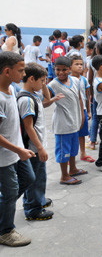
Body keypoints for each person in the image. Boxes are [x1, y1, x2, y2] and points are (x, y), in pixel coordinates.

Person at [0, 52, 36, 247]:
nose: (24, 74)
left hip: (16, 151)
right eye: (21, 70)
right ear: (7, 71)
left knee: (28, 179)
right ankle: (5, 231)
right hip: (4, 157)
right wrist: (18, 150)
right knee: (10, 190)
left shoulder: (12, 89)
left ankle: (4, 208)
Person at [17, 63, 54, 221]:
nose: (43, 84)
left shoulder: (33, 94)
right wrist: (40, 148)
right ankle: (33, 209)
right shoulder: (26, 99)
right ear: (31, 79)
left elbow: (47, 98)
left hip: (38, 147)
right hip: (33, 148)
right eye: (42, 81)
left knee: (40, 176)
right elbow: (28, 127)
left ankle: (38, 200)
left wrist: (44, 83)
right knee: (35, 178)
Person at [47, 56, 86, 185]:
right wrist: (53, 99)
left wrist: (82, 116)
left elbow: (79, 98)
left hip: (75, 120)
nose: (61, 72)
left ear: (69, 69)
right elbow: (44, 102)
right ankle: (64, 176)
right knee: (63, 151)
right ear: (54, 69)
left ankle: (73, 169)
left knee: (74, 148)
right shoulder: (52, 84)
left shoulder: (75, 80)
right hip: (63, 124)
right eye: (58, 70)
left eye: (64, 69)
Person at [67, 53, 94, 163]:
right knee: (71, 134)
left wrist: (88, 110)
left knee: (82, 133)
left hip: (82, 111)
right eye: (76, 64)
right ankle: (69, 155)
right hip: (71, 111)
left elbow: (87, 96)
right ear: (70, 67)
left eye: (81, 64)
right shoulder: (67, 80)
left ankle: (83, 153)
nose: (79, 66)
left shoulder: (84, 80)